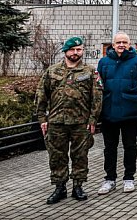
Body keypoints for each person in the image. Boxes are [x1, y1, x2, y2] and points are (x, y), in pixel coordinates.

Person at [36, 37, 102, 204]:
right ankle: (59, 187)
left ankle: (78, 186)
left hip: (81, 123)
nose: (75, 53)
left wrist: (93, 119)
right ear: (65, 51)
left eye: (79, 49)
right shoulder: (52, 72)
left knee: (80, 156)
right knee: (57, 156)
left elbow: (97, 98)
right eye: (72, 50)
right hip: (56, 122)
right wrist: (42, 118)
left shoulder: (89, 72)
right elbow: (41, 96)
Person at [96, 32, 137, 194]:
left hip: (130, 112)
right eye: (118, 42)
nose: (121, 45)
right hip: (109, 112)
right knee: (109, 148)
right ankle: (109, 179)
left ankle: (129, 178)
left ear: (129, 44)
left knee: (130, 146)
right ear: (113, 44)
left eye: (124, 42)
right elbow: (99, 87)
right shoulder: (104, 62)